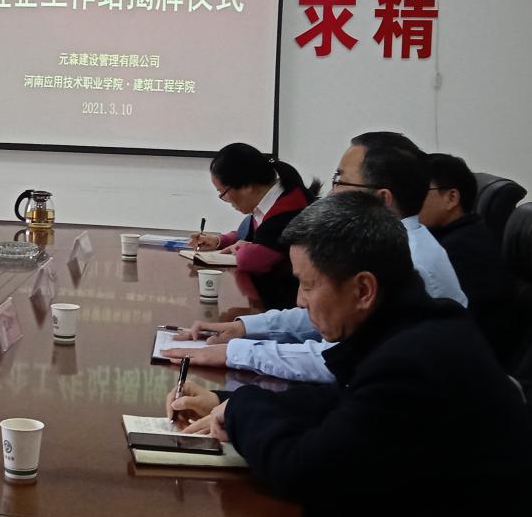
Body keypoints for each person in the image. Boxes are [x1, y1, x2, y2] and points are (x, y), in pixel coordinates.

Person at [167, 192, 532, 517]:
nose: (300, 301)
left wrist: (242, 409)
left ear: (363, 289)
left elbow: (305, 471)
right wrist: (225, 401)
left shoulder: (415, 360)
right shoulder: (415, 328)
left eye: (308, 285)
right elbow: (343, 403)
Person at [163, 132, 466, 381]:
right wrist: (244, 328)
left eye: (340, 181)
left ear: (382, 199)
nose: (331, 193)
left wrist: (236, 352)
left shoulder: (409, 261)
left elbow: (334, 360)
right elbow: (323, 312)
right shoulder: (388, 244)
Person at [188, 143, 321, 309]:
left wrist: (242, 248)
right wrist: (219, 241)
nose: (226, 200)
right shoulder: (272, 199)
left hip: (291, 307)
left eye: (223, 193)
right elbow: (251, 234)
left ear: (247, 186)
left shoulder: (289, 209)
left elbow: (249, 260)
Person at [421, 151, 515, 361]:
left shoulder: (463, 249)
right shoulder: (448, 234)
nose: (410, 199)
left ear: (451, 198)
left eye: (419, 191)